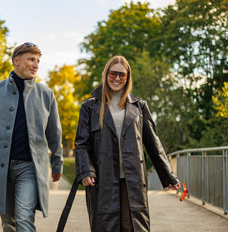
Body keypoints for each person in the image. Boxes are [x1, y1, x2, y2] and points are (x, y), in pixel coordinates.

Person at [74, 55, 180, 232]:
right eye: (113, 73)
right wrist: (86, 171)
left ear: (128, 77)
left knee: (132, 226)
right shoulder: (89, 107)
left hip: (132, 178)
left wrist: (168, 176)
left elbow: (153, 144)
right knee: (105, 227)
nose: (117, 78)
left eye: (122, 75)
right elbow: (82, 144)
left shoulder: (139, 107)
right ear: (106, 74)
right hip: (103, 178)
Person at [0, 42, 64, 232]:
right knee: (8, 223)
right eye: (31, 59)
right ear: (16, 61)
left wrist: (57, 163)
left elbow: (54, 134)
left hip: (29, 168)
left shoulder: (46, 95)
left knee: (24, 218)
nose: (35, 64)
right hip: (1, 167)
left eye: (38, 61)